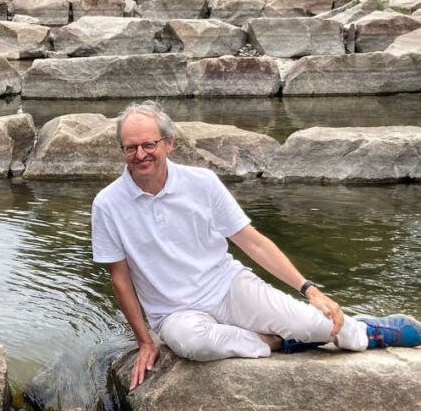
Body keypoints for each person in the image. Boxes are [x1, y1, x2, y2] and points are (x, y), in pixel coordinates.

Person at [91, 100, 421, 390]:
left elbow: (253, 242)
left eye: (148, 144)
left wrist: (310, 289)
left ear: (168, 143)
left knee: (314, 324)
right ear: (121, 150)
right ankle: (275, 342)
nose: (140, 154)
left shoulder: (202, 183)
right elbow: (120, 279)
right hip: (174, 312)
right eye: (130, 148)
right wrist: (145, 341)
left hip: (226, 286)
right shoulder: (108, 204)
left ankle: (366, 331)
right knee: (193, 344)